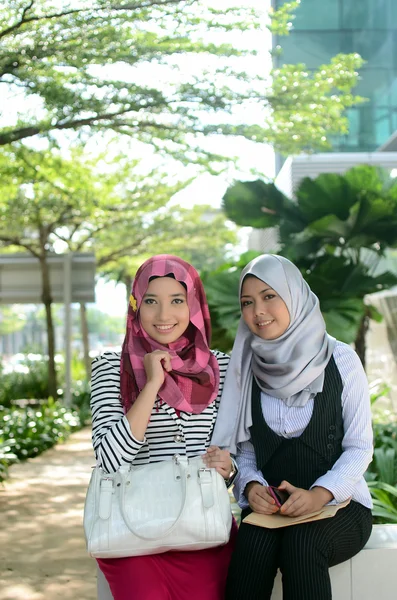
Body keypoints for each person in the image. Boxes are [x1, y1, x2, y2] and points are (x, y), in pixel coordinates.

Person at [211, 254, 373, 600]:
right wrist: (251, 484)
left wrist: (319, 494)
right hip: (273, 508)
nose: (258, 311)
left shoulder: (341, 360)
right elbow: (248, 447)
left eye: (270, 296)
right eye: (247, 302)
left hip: (341, 505)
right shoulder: (246, 367)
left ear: (294, 295)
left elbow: (360, 446)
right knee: (251, 547)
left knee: (303, 546)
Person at [90, 254, 237, 600]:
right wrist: (153, 383)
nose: (163, 315)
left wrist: (230, 466)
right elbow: (110, 458)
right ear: (136, 306)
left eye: (176, 301)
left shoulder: (222, 368)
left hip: (204, 528)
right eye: (151, 302)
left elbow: (242, 453)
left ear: (194, 305)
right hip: (130, 532)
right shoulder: (111, 367)